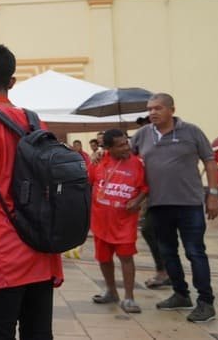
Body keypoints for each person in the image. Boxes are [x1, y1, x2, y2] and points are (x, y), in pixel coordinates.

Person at [0, 44, 63, 340]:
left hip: (0, 253)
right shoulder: (35, 121)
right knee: (39, 333)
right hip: (40, 247)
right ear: (12, 82)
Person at [130, 93, 218, 323]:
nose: (152, 112)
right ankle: (181, 294)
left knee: (195, 252)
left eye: (158, 108)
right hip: (158, 205)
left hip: (189, 204)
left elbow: (209, 161)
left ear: (172, 109)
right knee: (168, 252)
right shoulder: (142, 135)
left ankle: (205, 301)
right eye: (149, 109)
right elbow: (129, 162)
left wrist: (213, 194)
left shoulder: (191, 131)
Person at [90, 129, 148, 313]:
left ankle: (129, 298)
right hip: (101, 221)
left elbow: (145, 188)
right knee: (104, 259)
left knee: (126, 258)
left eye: (126, 142)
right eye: (121, 145)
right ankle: (111, 291)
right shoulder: (99, 161)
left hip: (124, 222)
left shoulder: (137, 164)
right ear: (108, 148)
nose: (126, 147)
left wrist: (136, 201)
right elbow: (88, 181)